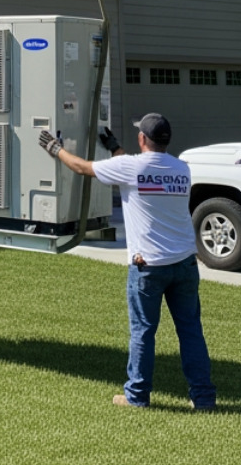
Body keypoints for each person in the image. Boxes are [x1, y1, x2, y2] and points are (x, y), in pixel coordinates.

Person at [38, 112, 216, 411]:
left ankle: (136, 396)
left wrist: (56, 149)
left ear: (142, 138)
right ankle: (204, 399)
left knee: (143, 331)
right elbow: (139, 172)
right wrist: (114, 148)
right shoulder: (181, 169)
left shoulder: (130, 168)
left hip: (148, 267)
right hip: (185, 263)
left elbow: (82, 167)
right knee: (190, 332)